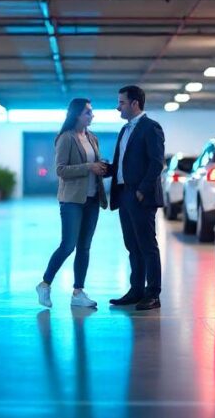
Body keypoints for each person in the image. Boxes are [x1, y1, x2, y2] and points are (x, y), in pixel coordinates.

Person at [36, 98, 108, 309]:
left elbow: (94, 166)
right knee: (68, 245)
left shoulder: (92, 138)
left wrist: (102, 168)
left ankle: (78, 292)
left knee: (84, 247)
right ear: (77, 114)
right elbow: (61, 171)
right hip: (72, 201)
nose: (91, 115)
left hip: (93, 199)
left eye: (91, 112)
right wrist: (89, 167)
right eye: (88, 112)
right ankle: (45, 284)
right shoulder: (65, 138)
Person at [106, 85, 166, 311]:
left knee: (147, 245)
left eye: (121, 102)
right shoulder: (125, 130)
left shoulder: (151, 127)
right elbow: (124, 163)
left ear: (134, 103)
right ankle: (136, 290)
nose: (117, 106)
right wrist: (108, 169)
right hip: (124, 194)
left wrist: (142, 190)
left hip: (140, 195)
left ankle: (153, 294)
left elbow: (156, 162)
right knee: (132, 245)